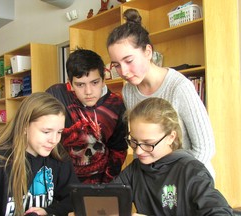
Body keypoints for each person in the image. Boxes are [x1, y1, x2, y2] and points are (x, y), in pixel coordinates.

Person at [106, 8, 216, 178]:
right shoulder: (128, 91)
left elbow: (205, 148)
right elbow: (140, 143)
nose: (124, 71)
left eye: (128, 61)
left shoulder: (179, 87)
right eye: (117, 65)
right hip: (156, 181)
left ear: (148, 52)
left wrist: (172, 181)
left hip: (190, 180)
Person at [0, 92, 79, 216]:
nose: (54, 140)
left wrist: (48, 211)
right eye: (46, 132)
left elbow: (75, 198)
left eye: (59, 132)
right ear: (24, 126)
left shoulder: (58, 157)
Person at [111, 97, 233, 215]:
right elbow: (108, 198)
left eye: (148, 144)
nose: (138, 151)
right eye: (134, 141)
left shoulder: (191, 171)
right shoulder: (134, 170)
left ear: (171, 137)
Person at [46, 48, 128, 184]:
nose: (88, 91)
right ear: (70, 83)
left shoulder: (116, 105)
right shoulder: (55, 95)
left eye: (95, 82)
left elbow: (118, 150)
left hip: (99, 183)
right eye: (80, 85)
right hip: (58, 181)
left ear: (103, 79)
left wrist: (106, 186)